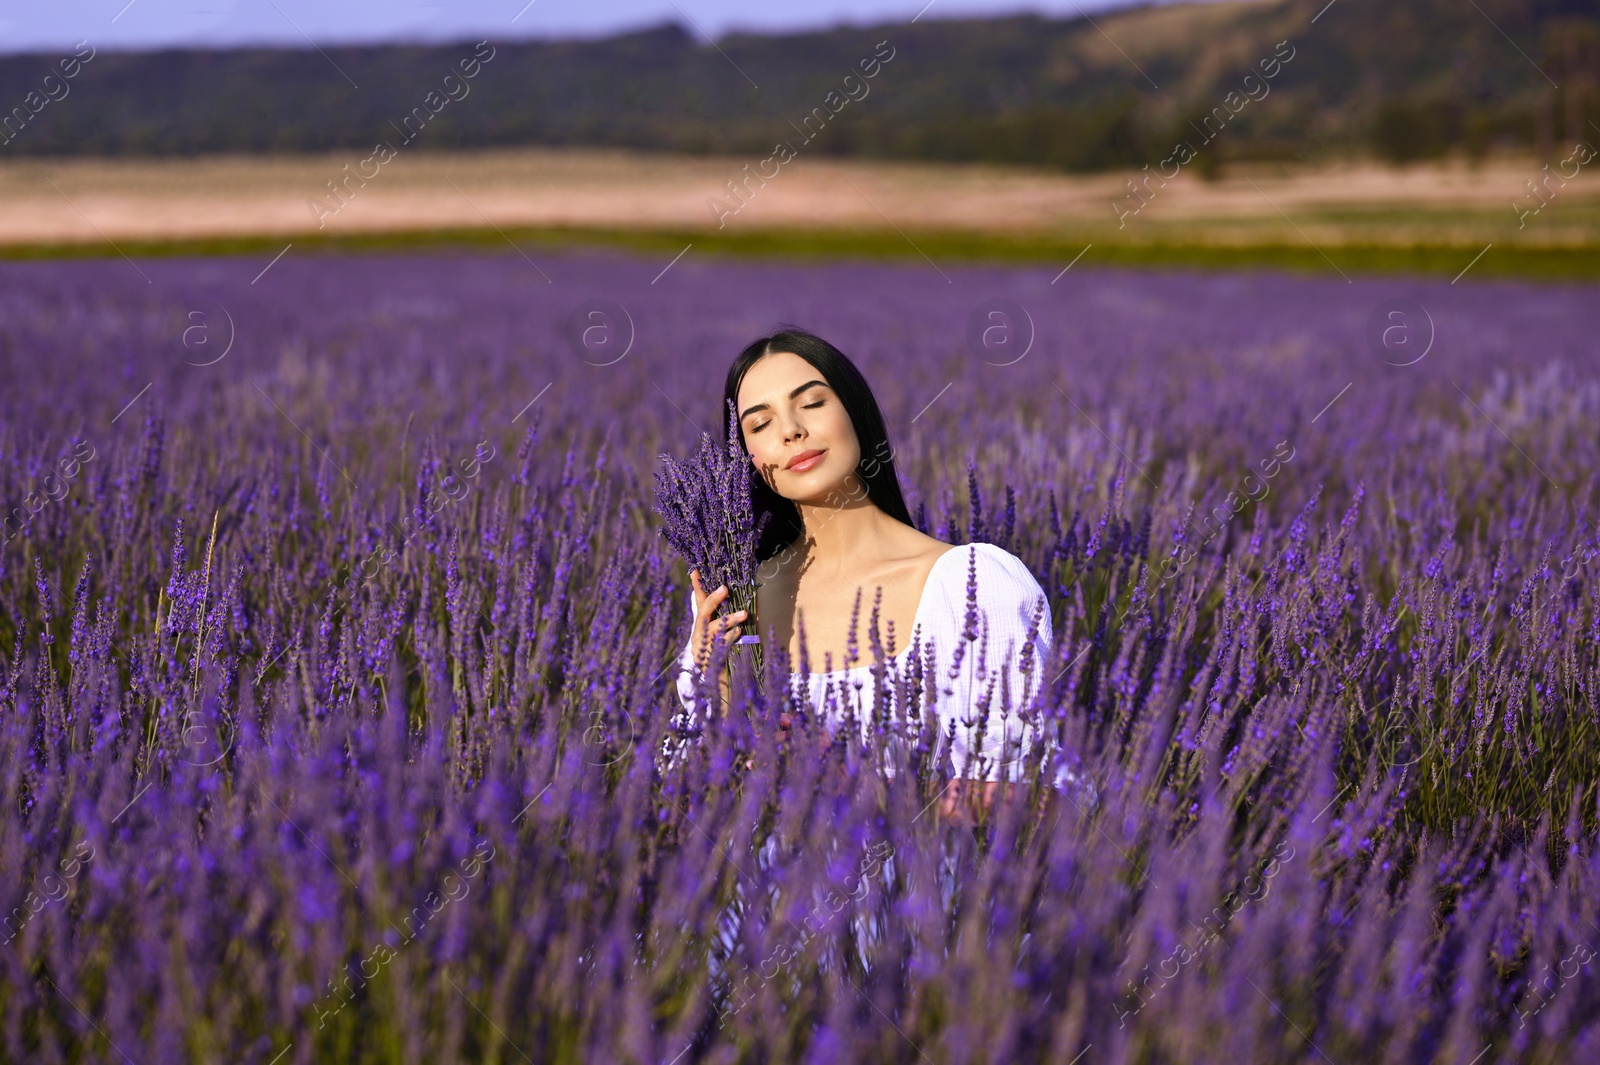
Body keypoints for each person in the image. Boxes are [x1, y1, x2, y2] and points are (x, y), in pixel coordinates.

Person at [668, 328, 1095, 822]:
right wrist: (716, 691)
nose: (790, 431)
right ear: (746, 457)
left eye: (811, 403)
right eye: (760, 424)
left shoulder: (971, 585)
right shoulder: (735, 595)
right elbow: (683, 801)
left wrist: (850, 780)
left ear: (854, 409)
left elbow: (1051, 805)